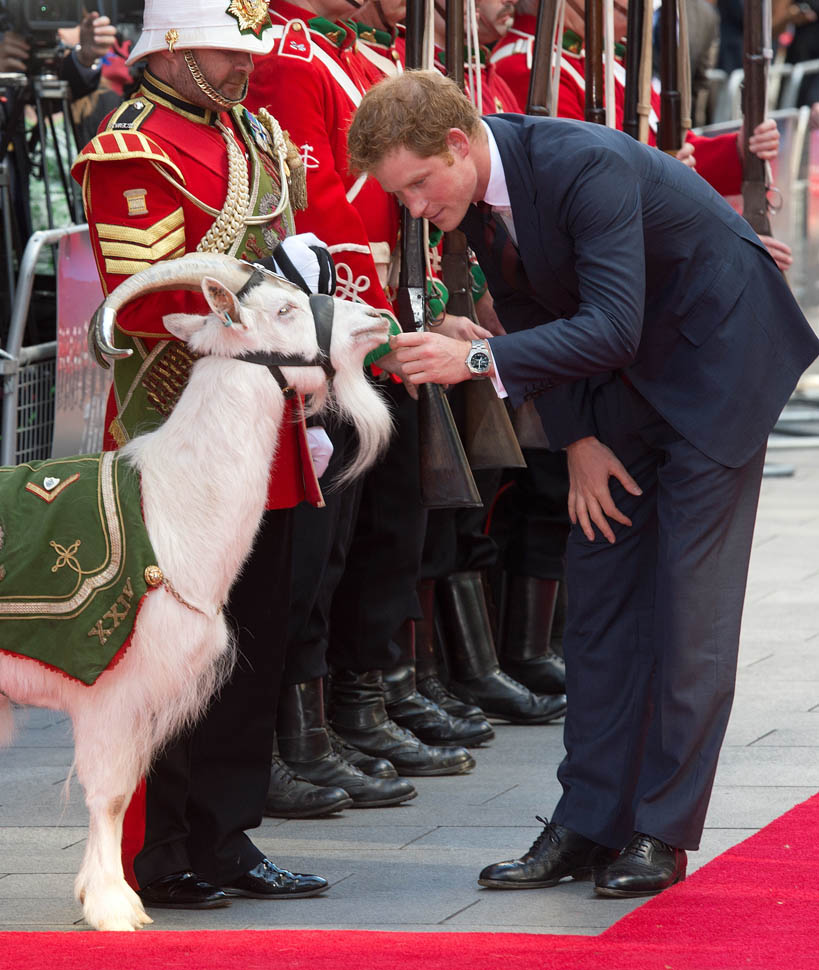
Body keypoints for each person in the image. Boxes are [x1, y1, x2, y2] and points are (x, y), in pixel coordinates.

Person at [347, 69, 819, 898]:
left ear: (456, 144)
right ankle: (587, 821)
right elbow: (535, 311)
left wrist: (475, 357)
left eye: (418, 185)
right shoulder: (475, 191)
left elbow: (608, 322)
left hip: (716, 364)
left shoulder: (578, 163)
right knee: (598, 601)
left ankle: (658, 832)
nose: (414, 208)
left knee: (687, 612)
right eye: (400, 196)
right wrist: (577, 440)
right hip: (621, 385)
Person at [70, 0, 333, 909]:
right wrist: (263, 295)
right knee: (168, 654)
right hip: (177, 428)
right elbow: (144, 300)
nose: (242, 67)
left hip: (265, 427)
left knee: (255, 641)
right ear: (173, 51)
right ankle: (159, 849)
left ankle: (227, 836)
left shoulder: (251, 132)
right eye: (224, 53)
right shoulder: (131, 149)